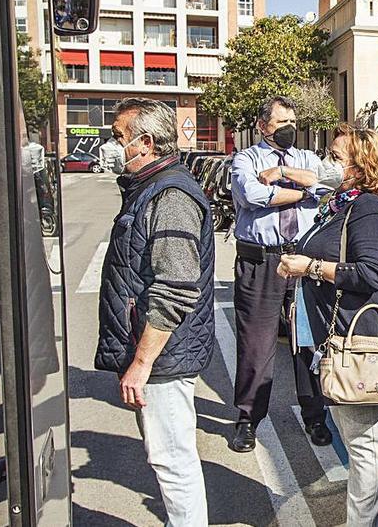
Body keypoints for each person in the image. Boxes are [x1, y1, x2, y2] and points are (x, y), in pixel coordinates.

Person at [278, 124, 378, 527]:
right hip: (335, 339)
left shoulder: (369, 207)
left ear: (361, 164)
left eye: (336, 157)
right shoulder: (339, 203)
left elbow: (373, 273)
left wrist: (311, 267)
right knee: (358, 444)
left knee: (366, 446)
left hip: (364, 345)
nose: (327, 163)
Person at [93, 98, 215, 526]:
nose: (112, 146)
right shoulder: (149, 188)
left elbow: (176, 286)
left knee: (172, 460)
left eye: (118, 138)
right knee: (167, 455)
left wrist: (142, 362)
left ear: (145, 143)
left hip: (164, 354)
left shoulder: (171, 195)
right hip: (159, 350)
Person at [228, 96, 334, 453]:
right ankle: (247, 419)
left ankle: (315, 416)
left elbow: (322, 185)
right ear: (263, 126)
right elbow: (251, 195)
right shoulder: (245, 158)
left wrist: (285, 176)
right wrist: (301, 193)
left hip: (304, 262)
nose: (289, 127)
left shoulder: (305, 158)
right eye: (280, 121)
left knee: (308, 343)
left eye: (293, 120)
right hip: (262, 263)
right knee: (257, 345)